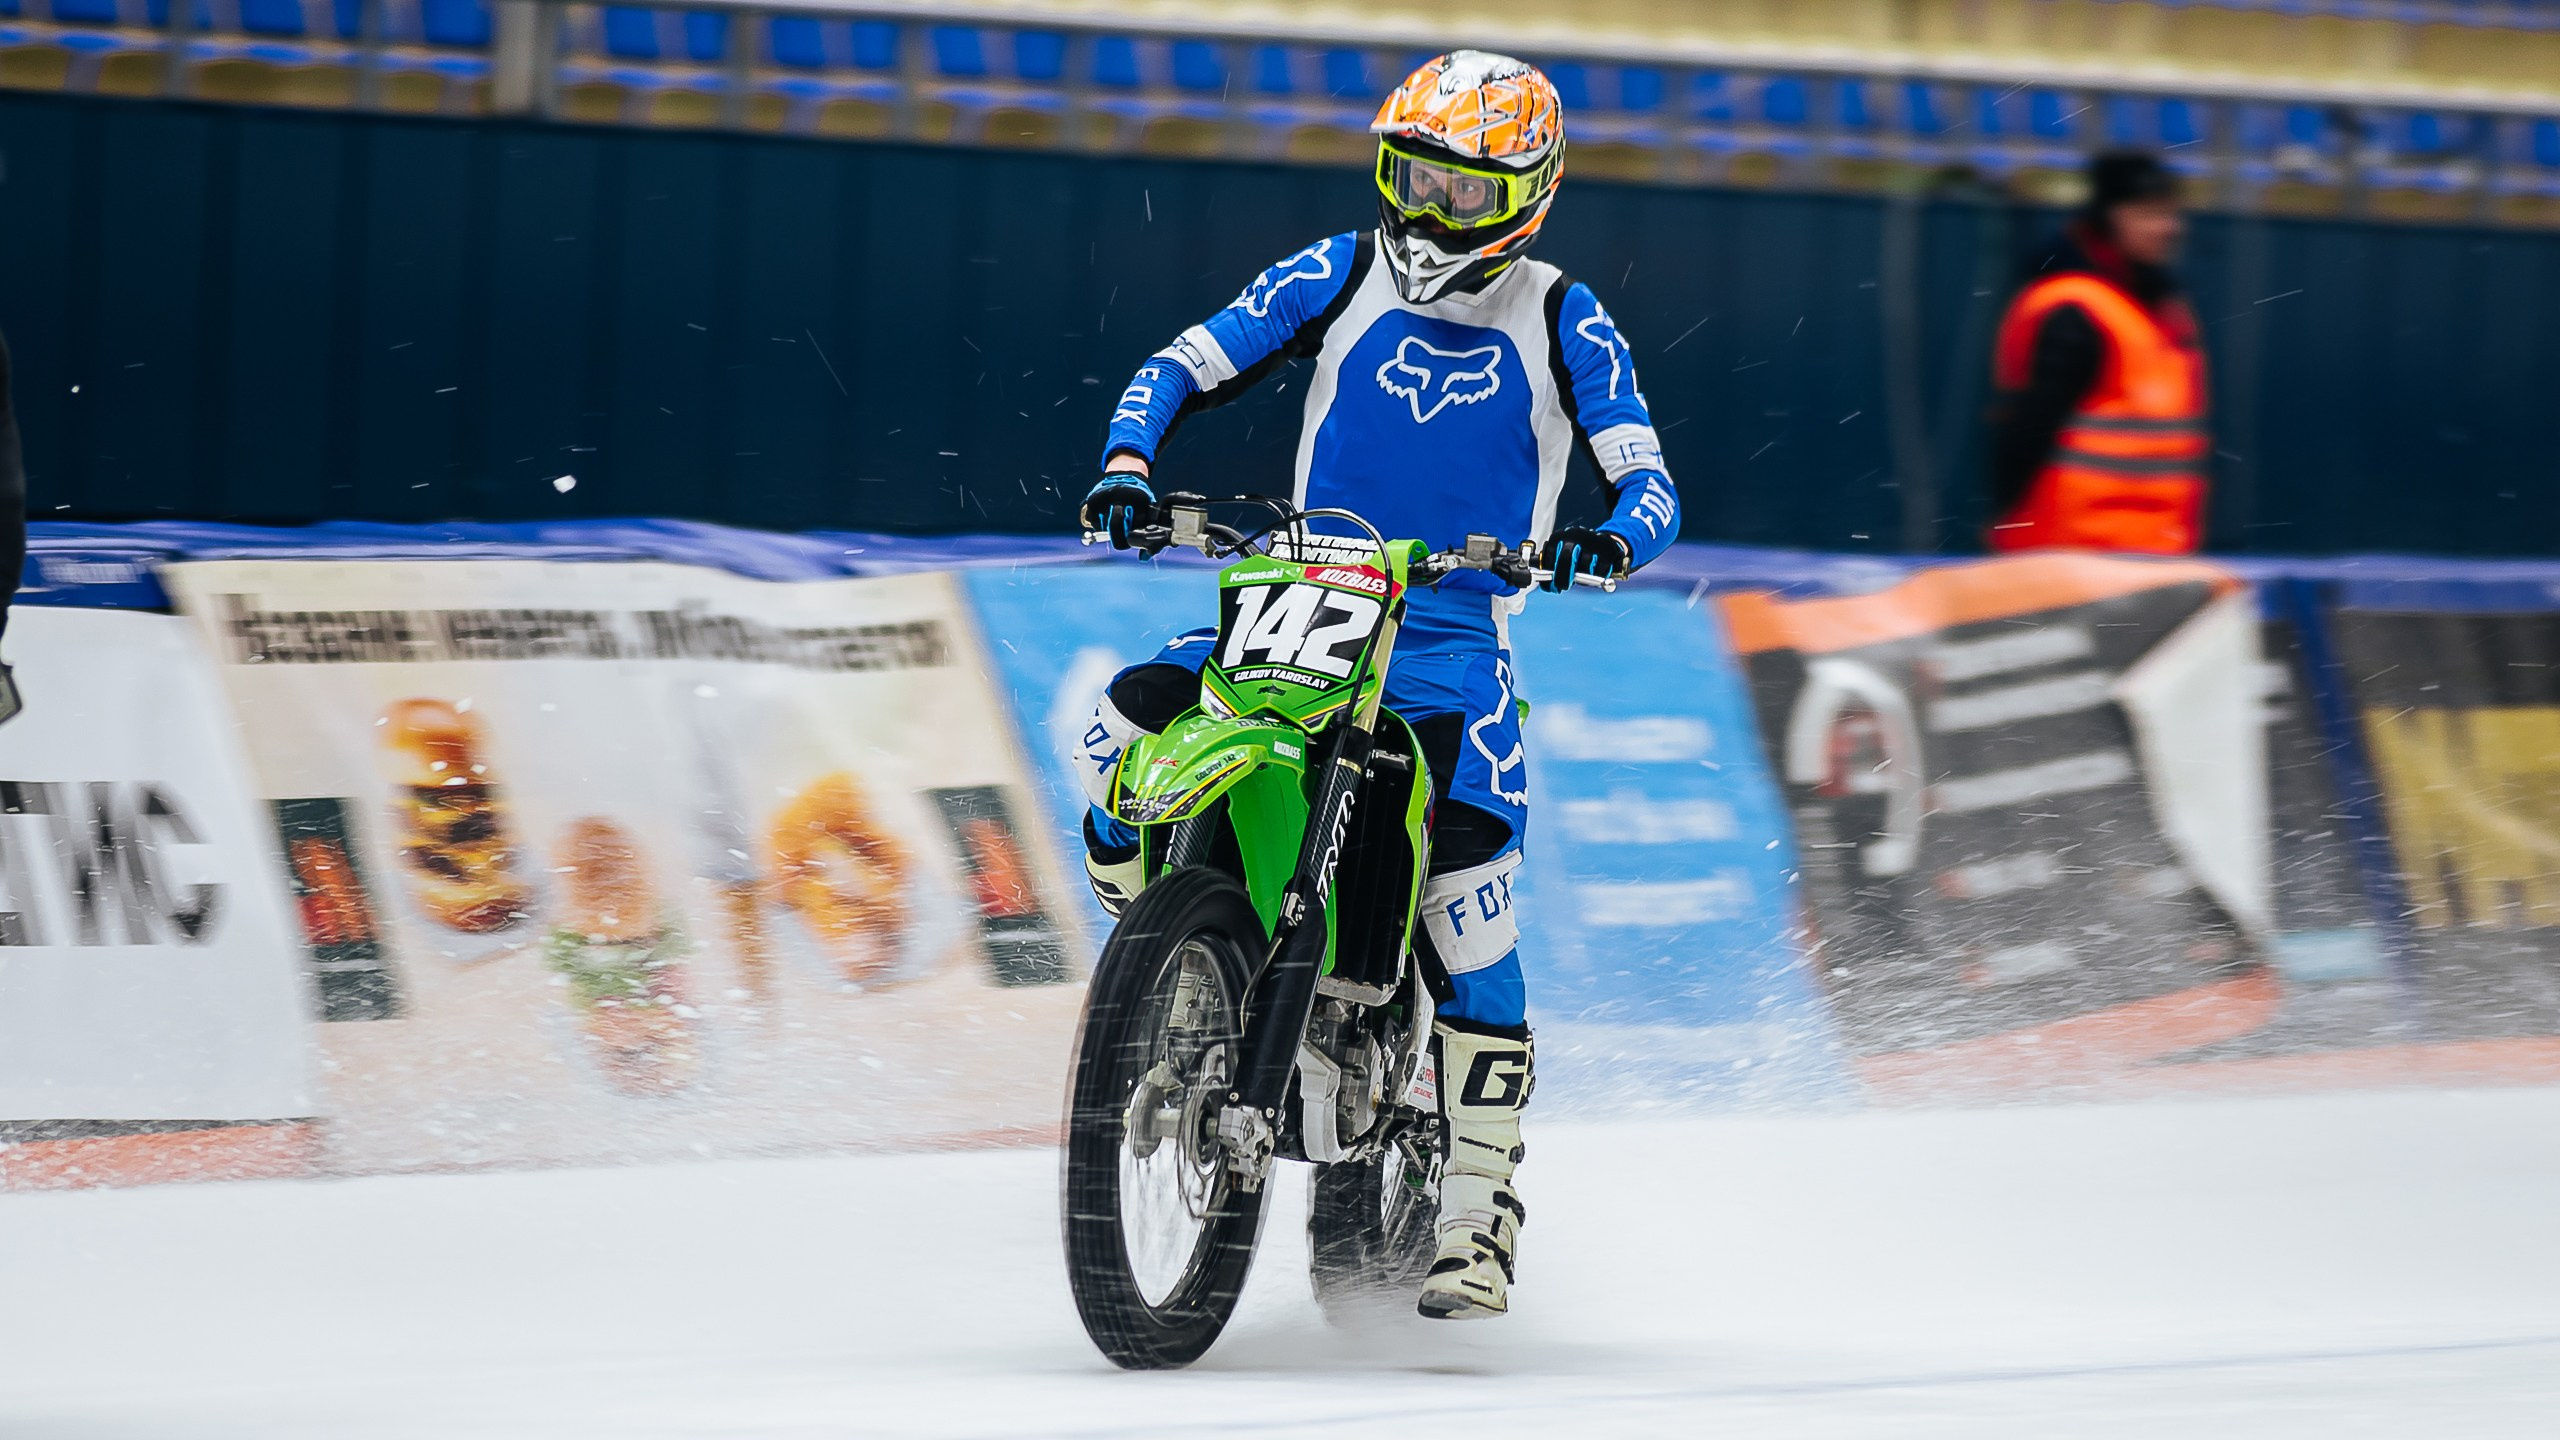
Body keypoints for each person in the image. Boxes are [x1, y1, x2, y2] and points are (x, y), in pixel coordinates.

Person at [1074, 50, 1682, 1321]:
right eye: (1411, 178)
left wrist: (1609, 539)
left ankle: (1477, 1205)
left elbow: (1649, 482)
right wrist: (1130, 459)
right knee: (1119, 728)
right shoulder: (1335, 270)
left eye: (1461, 195)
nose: (1425, 214)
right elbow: (1181, 363)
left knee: (1468, 892)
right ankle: (1160, 981)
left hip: (1453, 630)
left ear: (1527, 194)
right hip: (1306, 595)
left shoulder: (1565, 316)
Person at [1986, 150, 2210, 554]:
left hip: (2147, 552)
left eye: (2171, 214)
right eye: (2151, 214)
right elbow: (2026, 435)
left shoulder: (2160, 306)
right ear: (2111, 217)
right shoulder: (2076, 307)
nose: (2169, 228)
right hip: (2069, 555)